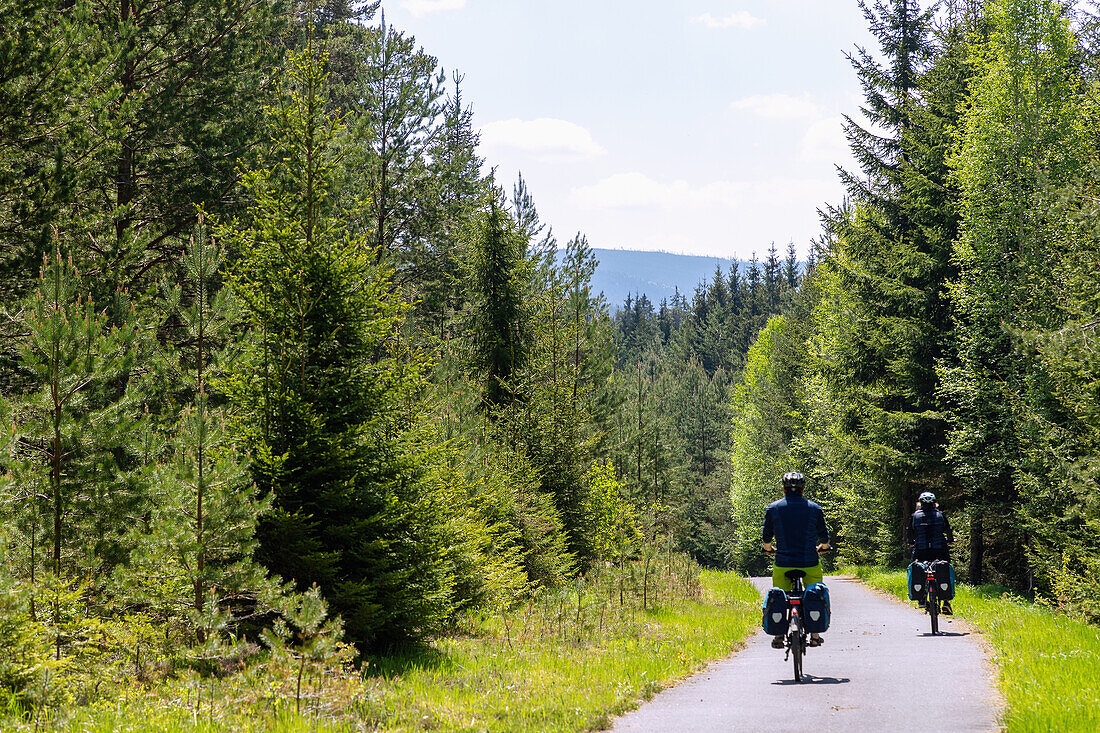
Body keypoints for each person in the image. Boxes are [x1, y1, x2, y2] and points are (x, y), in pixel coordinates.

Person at [762, 471, 830, 649]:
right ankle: (815, 635)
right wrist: (823, 547)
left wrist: (768, 549)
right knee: (814, 592)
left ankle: (778, 634)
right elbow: (824, 537)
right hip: (809, 562)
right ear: (803, 489)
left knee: (780, 595)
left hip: (783, 563)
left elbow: (766, 537)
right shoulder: (814, 508)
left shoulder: (773, 508)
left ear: (783, 489)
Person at [907, 491, 954, 615]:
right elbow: (948, 530)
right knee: (945, 568)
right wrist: (950, 540)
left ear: (920, 504)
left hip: (921, 550)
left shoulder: (915, 516)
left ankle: (921, 599)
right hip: (940, 549)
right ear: (935, 503)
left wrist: (911, 542)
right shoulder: (940, 515)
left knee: (917, 567)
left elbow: (909, 533)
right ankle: (946, 602)